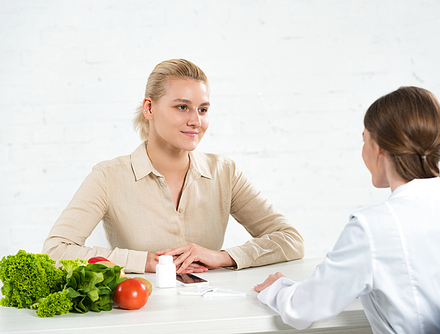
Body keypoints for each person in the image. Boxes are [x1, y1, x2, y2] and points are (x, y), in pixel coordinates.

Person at [254, 86, 440, 333]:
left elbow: (302, 310)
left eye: (363, 139)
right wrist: (345, 277)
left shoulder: (372, 228)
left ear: (378, 147)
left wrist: (277, 288)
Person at [43, 59, 304, 274]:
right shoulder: (108, 177)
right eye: (182, 107)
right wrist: (143, 261)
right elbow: (55, 250)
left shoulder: (225, 172)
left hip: (211, 310)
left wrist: (222, 257)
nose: (196, 121)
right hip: (140, 312)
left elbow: (290, 240)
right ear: (149, 108)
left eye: (202, 110)